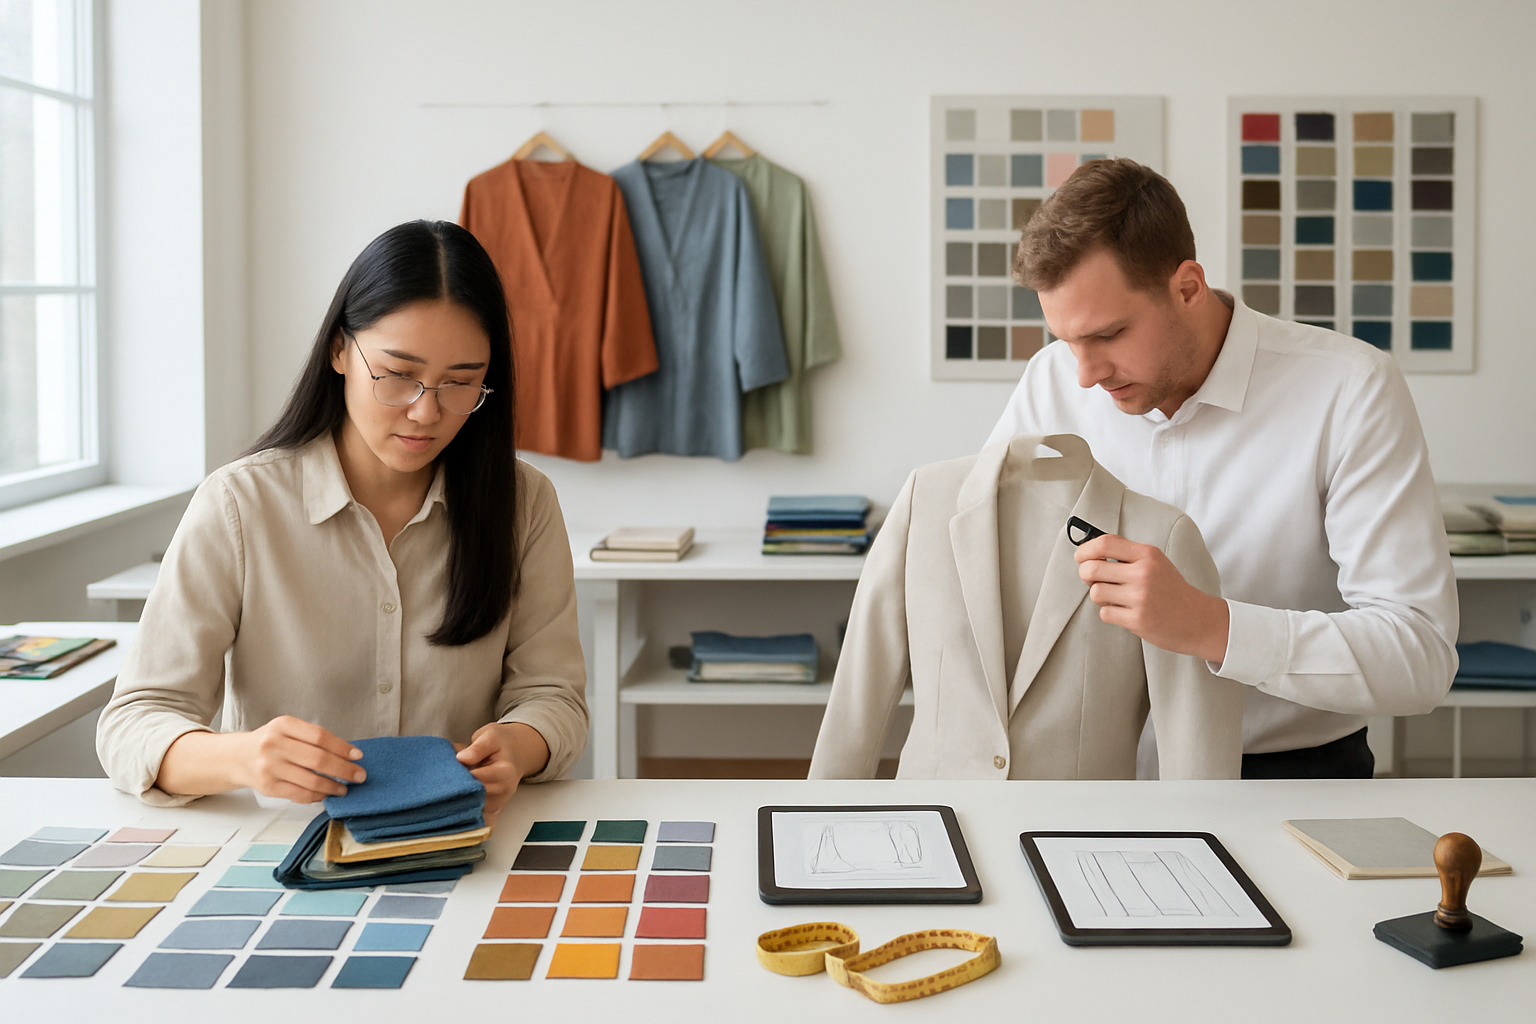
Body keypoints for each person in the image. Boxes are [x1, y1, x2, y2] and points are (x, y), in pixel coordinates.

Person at [97, 220, 588, 817]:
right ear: (339, 351)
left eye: (460, 384)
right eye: (398, 374)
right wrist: (244, 757)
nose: (425, 411)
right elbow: (133, 723)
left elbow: (553, 696)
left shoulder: (524, 503)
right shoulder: (239, 505)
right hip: (282, 847)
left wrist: (521, 743)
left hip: (458, 837)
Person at [988, 159, 1458, 779]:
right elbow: (991, 562)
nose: (1085, 374)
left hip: (1286, 778)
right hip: (1088, 772)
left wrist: (1212, 624)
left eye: (1110, 334)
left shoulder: (1350, 390)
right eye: (1066, 341)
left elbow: (1418, 658)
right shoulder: (1051, 385)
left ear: (1187, 286)